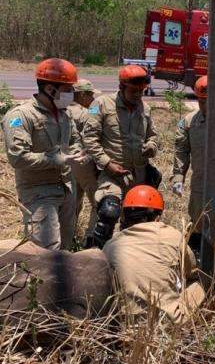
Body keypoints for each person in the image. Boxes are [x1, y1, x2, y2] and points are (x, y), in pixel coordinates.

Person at [1, 58, 87, 250]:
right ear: (50, 89)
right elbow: (18, 157)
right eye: (67, 89)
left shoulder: (64, 114)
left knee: (64, 251)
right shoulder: (21, 116)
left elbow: (73, 141)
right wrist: (55, 158)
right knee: (44, 254)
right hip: (38, 193)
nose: (72, 94)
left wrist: (76, 153)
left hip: (66, 188)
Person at [103, 185, 205, 324]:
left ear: (124, 215)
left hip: (124, 324)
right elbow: (191, 272)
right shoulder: (172, 235)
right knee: (201, 283)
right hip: (167, 324)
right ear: (157, 217)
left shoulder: (110, 245)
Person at [83, 65, 159, 248]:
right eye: (133, 91)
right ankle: (96, 254)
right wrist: (107, 163)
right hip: (112, 173)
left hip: (139, 174)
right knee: (109, 212)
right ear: (121, 86)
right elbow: (89, 138)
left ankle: (126, 256)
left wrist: (151, 146)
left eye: (141, 91)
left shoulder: (145, 109)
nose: (138, 95)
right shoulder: (101, 104)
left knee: (137, 220)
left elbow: (153, 136)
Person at [171, 76, 207, 257]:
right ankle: (195, 259)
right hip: (200, 181)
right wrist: (178, 177)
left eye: (208, 101)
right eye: (201, 100)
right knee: (198, 220)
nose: (204, 105)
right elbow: (181, 150)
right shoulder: (189, 122)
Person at [68, 78, 101, 238]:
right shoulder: (86, 113)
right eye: (90, 95)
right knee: (98, 203)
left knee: (73, 203)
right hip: (84, 162)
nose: (92, 99)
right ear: (81, 95)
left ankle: (68, 236)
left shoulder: (63, 110)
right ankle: (91, 239)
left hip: (66, 162)